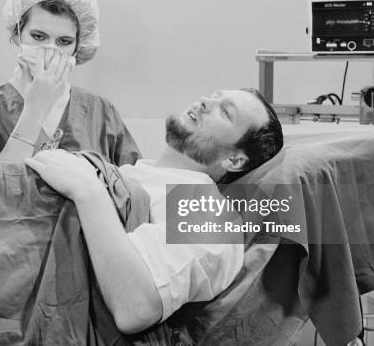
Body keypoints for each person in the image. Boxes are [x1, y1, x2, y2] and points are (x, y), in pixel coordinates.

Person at [25, 88, 284, 334]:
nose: (206, 101)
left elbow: (136, 308)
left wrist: (88, 192)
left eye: (226, 112)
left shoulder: (205, 210)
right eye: (215, 96)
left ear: (235, 160)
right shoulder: (134, 174)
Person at [0, 0, 140, 166]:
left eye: (64, 41)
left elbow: (141, 184)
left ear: (78, 47)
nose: (51, 49)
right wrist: (36, 109)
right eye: (38, 37)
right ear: (17, 34)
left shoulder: (100, 112)